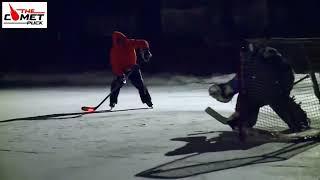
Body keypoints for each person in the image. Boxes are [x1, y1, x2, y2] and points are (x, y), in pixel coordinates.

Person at [209, 40, 310, 139]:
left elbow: (286, 72)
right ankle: (241, 122)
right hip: (253, 93)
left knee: (280, 102)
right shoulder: (245, 60)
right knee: (246, 99)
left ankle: (300, 123)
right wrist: (225, 90)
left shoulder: (268, 54)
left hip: (272, 91)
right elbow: (240, 79)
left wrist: (284, 89)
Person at [109, 31, 153, 109]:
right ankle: (113, 102)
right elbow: (115, 65)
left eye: (122, 41)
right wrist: (121, 75)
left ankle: (147, 101)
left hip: (133, 68)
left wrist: (146, 50)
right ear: (116, 42)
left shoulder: (129, 43)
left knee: (140, 85)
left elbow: (143, 42)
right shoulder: (114, 51)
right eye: (119, 42)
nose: (122, 43)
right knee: (116, 85)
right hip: (122, 70)